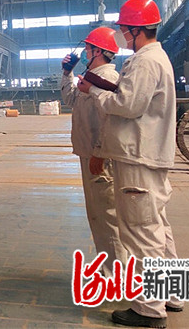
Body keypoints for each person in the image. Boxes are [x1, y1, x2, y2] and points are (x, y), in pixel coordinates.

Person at [78, 0, 182, 328]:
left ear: (137, 30)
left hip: (137, 158)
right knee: (158, 228)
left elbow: (127, 106)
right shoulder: (155, 58)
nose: (122, 34)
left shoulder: (144, 61)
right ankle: (172, 293)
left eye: (124, 29)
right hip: (147, 156)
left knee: (141, 233)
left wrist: (95, 92)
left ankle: (149, 310)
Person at [61, 27, 127, 278]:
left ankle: (115, 275)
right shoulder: (91, 78)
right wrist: (67, 73)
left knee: (107, 216)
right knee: (98, 215)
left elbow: (111, 121)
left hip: (101, 158)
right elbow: (71, 100)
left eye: (88, 48)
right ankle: (111, 269)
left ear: (98, 51)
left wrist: (100, 153)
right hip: (90, 154)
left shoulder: (107, 79)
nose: (85, 52)